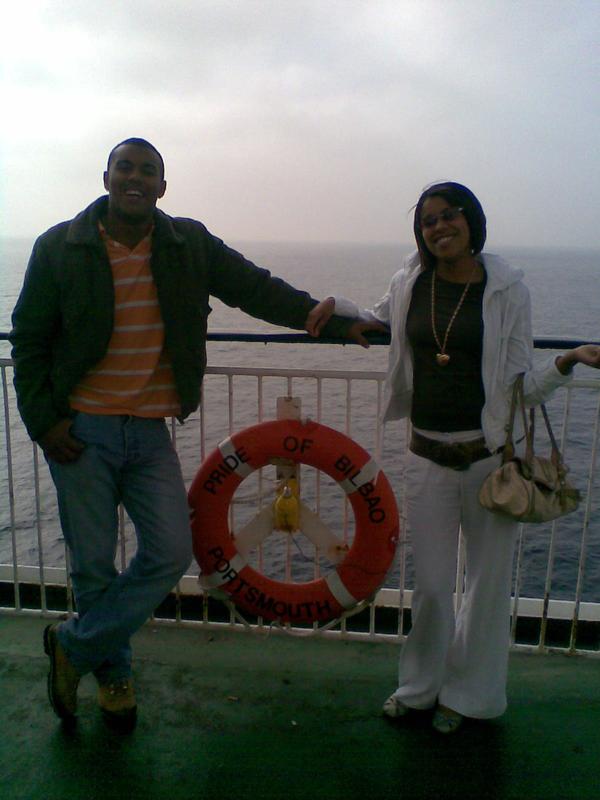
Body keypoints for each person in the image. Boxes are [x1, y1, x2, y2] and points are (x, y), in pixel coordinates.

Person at [9, 137, 377, 730]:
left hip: (149, 430)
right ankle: (114, 675)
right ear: (106, 177)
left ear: (162, 187)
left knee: (170, 552)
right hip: (81, 429)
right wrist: (44, 422)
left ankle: (72, 645)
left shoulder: (187, 243)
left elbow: (256, 289)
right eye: (125, 167)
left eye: (147, 171)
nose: (134, 177)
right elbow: (28, 338)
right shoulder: (61, 246)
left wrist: (334, 323)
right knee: (93, 565)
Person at [306, 181, 600, 734]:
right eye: (428, 221)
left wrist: (567, 362)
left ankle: (470, 698)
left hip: (489, 458)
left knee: (487, 586)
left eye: (449, 215)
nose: (439, 227)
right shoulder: (410, 281)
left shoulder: (507, 290)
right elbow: (377, 318)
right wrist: (336, 307)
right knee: (434, 586)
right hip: (427, 456)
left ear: (471, 221)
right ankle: (419, 688)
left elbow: (520, 386)